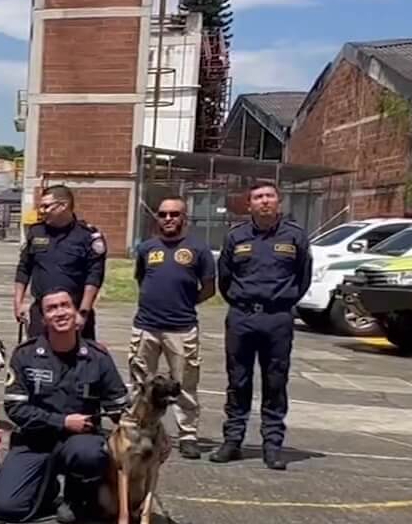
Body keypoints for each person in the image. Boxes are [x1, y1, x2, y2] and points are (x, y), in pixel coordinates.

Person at [0, 289, 129, 524]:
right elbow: (15, 408)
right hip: (35, 441)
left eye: (65, 305)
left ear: (76, 313)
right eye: (52, 308)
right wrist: (61, 422)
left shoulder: (98, 357)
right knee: (5, 508)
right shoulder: (25, 356)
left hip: (80, 442)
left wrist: (151, 435)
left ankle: (76, 495)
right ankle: (46, 487)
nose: (60, 312)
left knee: (91, 453)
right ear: (43, 319)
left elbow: (120, 410)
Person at [215, 180, 311, 471]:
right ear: (249, 204)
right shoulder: (236, 236)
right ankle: (233, 440)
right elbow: (225, 278)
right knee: (238, 380)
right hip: (242, 317)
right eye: (258, 197)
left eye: (270, 196)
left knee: (275, 382)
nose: (264, 201)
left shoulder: (295, 236)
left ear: (278, 202)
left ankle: (272, 445)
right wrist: (241, 303)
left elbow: (303, 278)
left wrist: (283, 303)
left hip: (277, 318)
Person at [131, 196, 215, 460]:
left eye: (174, 214)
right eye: (163, 214)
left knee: (185, 384)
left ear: (184, 218)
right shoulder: (146, 248)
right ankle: (139, 426)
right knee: (140, 382)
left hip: (182, 328)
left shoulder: (198, 250)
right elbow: (141, 279)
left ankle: (188, 435)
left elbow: (209, 288)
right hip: (146, 326)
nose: (168, 219)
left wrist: (185, 304)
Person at [13, 184, 106, 342]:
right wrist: (18, 302)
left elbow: (94, 277)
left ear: (64, 205)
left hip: (74, 310)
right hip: (41, 312)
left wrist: (83, 312)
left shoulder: (87, 236)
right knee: (38, 360)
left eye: (46, 206)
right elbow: (24, 268)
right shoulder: (36, 232)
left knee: (80, 362)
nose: (42, 210)